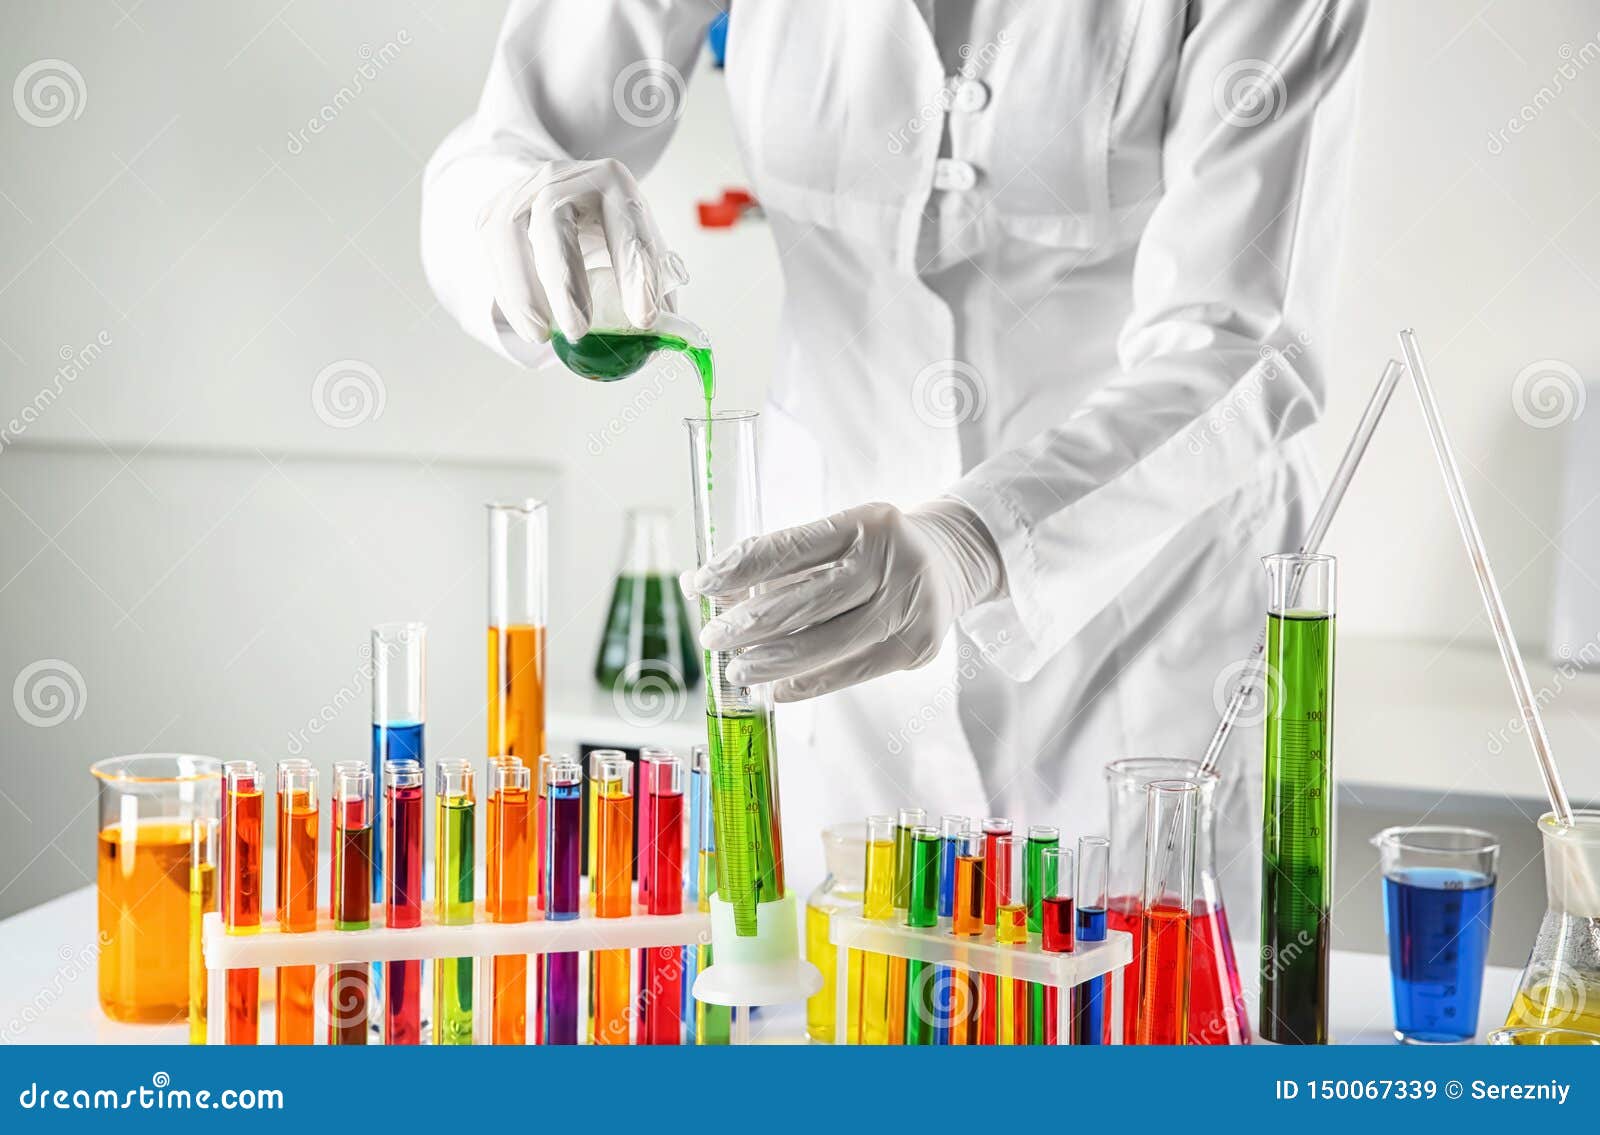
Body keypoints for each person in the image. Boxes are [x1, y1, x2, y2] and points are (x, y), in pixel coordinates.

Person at [421, 0, 1369, 920]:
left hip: (1146, 622)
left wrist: (980, 540)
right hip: (841, 640)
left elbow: (1241, 341)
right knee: (849, 1020)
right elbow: (510, 135)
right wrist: (509, 207)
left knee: (1142, 1028)